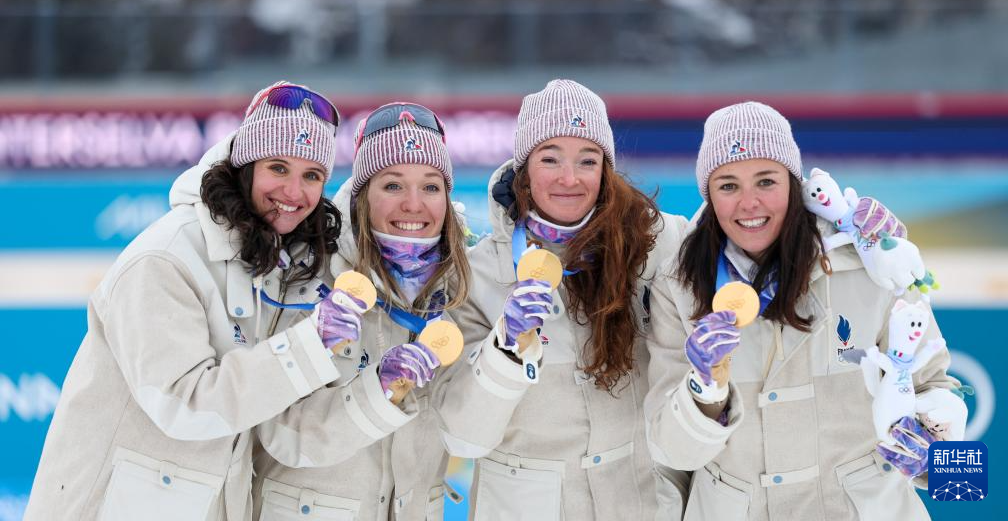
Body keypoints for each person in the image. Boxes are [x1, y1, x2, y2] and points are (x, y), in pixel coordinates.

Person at [25, 81, 350, 521]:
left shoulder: (273, 264)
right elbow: (184, 404)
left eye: (312, 176)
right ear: (245, 166)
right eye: (278, 167)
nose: (294, 192)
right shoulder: (166, 257)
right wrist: (310, 346)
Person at [643, 101, 967, 520]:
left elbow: (938, 393)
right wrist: (705, 390)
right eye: (728, 185)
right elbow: (672, 452)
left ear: (794, 184)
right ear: (709, 194)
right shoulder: (679, 284)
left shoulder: (870, 260)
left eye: (766, 181)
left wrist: (936, 458)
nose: (749, 203)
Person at [434, 79, 691, 520]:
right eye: (550, 158)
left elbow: (743, 238)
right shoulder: (475, 276)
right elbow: (463, 436)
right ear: (524, 170)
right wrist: (505, 348)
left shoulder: (659, 244)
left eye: (587, 160)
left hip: (641, 503)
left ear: (605, 171)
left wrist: (811, 226)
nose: (569, 179)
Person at [250, 102, 471, 521]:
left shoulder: (458, 289)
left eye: (430, 186)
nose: (414, 204)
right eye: (393, 185)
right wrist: (377, 391)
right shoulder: (307, 277)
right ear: (362, 197)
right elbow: (280, 434)